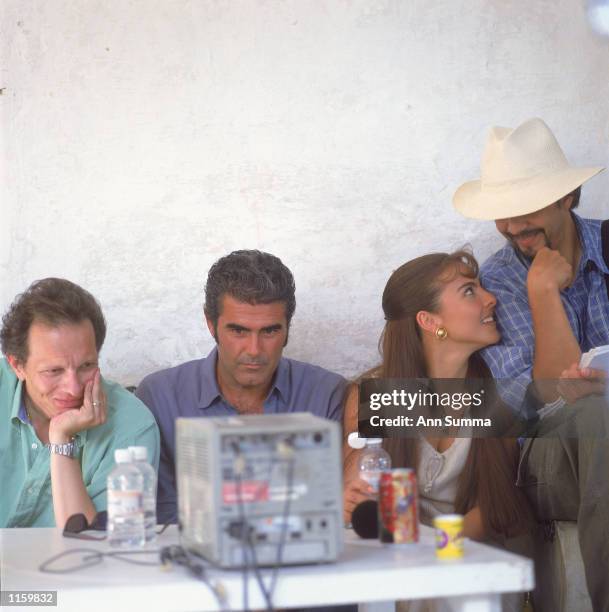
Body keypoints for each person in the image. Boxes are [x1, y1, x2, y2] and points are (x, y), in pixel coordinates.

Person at [453, 117, 609, 610]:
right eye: (502, 213)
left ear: (567, 197)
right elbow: (548, 398)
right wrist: (542, 291)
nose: (514, 226)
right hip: (548, 462)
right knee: (594, 417)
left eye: (527, 208)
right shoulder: (496, 283)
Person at [137, 249, 347, 524]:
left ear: (288, 327)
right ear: (210, 323)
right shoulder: (160, 396)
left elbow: (340, 506)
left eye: (270, 331)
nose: (254, 350)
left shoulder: (328, 393)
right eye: (238, 330)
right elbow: (160, 514)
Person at [343, 251, 532, 544]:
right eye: (470, 291)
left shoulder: (498, 396)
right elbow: (358, 493)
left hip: (466, 561)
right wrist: (354, 498)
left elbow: (493, 510)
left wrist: (433, 550)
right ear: (430, 321)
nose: (491, 298)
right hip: (396, 563)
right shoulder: (375, 397)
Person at [0, 278, 160, 528]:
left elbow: (94, 548)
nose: (73, 388)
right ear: (17, 365)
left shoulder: (133, 427)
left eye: (87, 366)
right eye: (54, 371)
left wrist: (61, 438)